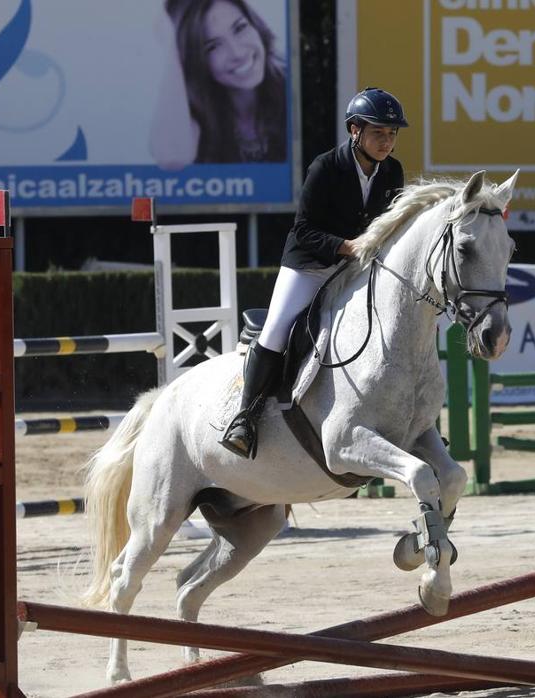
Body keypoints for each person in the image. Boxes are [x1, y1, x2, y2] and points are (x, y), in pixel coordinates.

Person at [220, 87, 408, 458]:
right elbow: (303, 228)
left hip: (355, 267)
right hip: (309, 264)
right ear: (355, 131)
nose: (387, 142)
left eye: (391, 134)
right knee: (277, 330)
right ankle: (245, 417)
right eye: (378, 133)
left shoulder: (393, 171)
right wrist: (346, 246)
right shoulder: (325, 167)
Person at [151, 0, 288, 168]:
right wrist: (172, 45)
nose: (237, 53)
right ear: (195, 61)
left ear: (255, 25)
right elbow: (170, 159)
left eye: (240, 28)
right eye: (213, 46)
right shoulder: (192, 115)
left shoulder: (292, 90)